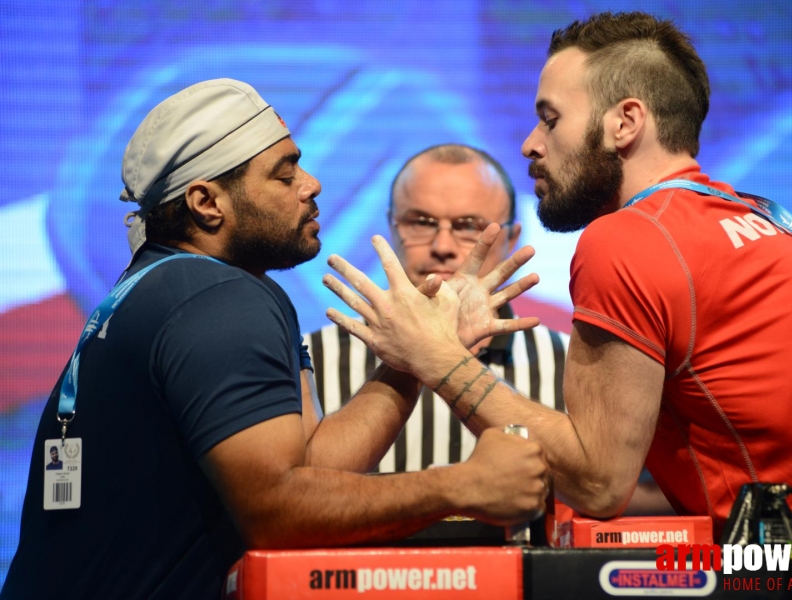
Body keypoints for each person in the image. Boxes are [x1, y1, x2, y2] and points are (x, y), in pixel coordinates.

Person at [322, 12, 792, 597]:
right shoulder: (768, 223)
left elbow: (598, 484)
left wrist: (436, 357)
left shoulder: (628, 238)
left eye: (551, 119)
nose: (530, 143)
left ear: (626, 122)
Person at [0, 79, 548, 600]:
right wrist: (462, 486)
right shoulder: (213, 297)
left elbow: (314, 468)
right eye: (284, 175)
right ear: (206, 202)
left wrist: (414, 358)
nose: (311, 184)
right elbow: (278, 512)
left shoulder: (165, 284)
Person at [307, 144, 569, 472]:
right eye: (421, 222)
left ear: (512, 239)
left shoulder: (570, 366)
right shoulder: (309, 362)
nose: (441, 247)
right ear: (392, 228)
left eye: (468, 226)